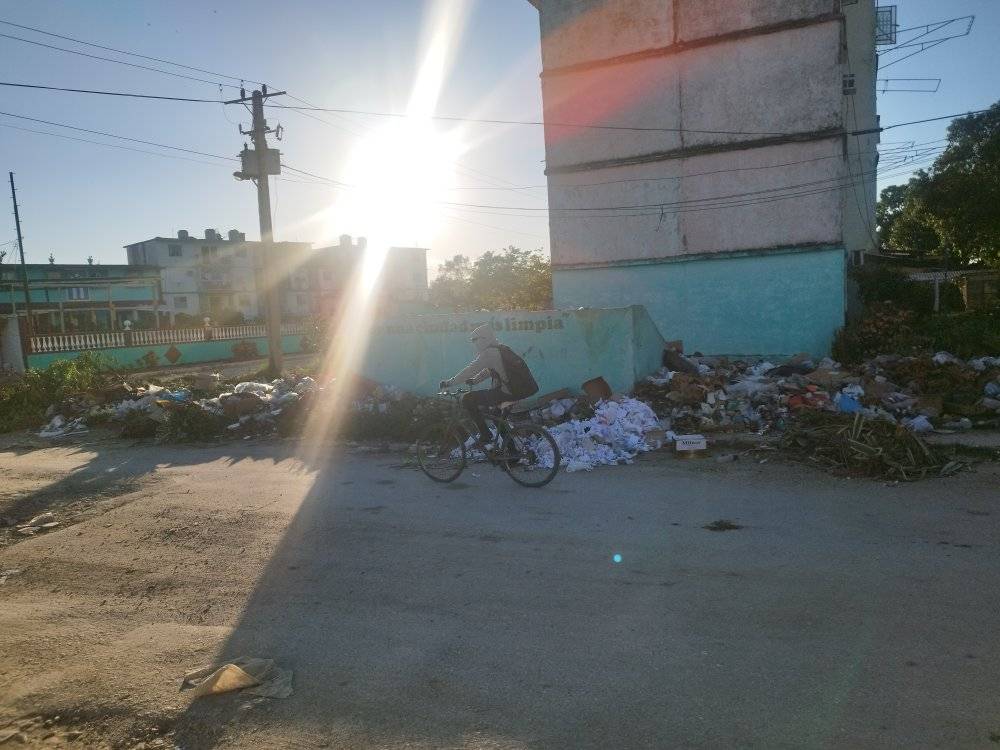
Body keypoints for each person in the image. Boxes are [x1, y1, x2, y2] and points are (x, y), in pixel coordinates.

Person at [439, 324, 531, 448]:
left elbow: (470, 370)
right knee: (496, 416)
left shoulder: (489, 353)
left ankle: (485, 434)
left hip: (507, 392)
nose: (474, 343)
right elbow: (489, 370)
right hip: (515, 391)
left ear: (483, 338)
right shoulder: (500, 348)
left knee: (467, 399)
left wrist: (449, 382)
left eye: (475, 340)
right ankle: (513, 453)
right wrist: (475, 381)